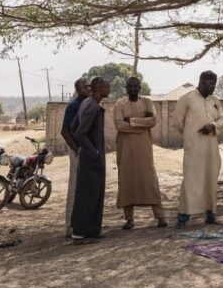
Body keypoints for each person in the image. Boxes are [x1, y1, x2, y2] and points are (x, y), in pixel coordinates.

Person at [173, 71, 223, 228]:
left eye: (215, 83)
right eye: (211, 83)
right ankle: (182, 218)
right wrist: (189, 134)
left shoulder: (215, 100)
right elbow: (177, 121)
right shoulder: (187, 99)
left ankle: (210, 215)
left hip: (211, 146)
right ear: (202, 82)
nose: (214, 87)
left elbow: (222, 119)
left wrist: (213, 126)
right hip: (194, 146)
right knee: (191, 179)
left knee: (210, 178)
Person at [114, 76, 167, 229]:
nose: (133, 89)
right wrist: (141, 123)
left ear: (140, 88)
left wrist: (130, 120)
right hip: (125, 149)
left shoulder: (147, 102)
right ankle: (129, 219)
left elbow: (152, 121)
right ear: (126, 88)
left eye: (135, 86)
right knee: (127, 180)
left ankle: (160, 217)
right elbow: (119, 125)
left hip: (144, 147)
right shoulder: (119, 105)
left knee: (149, 179)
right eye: (130, 87)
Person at [70, 77, 110, 244]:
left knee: (93, 195)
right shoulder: (92, 106)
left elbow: (73, 127)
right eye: (107, 86)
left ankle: (92, 231)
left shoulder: (88, 102)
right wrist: (93, 152)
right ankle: (80, 234)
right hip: (91, 159)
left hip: (91, 157)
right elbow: (79, 133)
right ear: (100, 88)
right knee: (87, 196)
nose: (109, 89)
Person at [62, 78, 90, 238]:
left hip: (86, 149)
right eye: (85, 87)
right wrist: (76, 149)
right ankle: (71, 226)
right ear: (78, 89)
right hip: (77, 148)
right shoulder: (73, 106)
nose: (88, 88)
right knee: (75, 185)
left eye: (89, 86)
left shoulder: (89, 104)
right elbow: (65, 131)